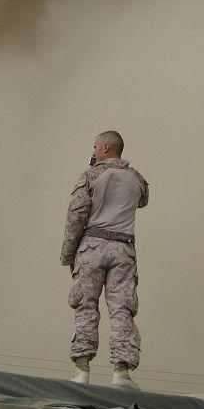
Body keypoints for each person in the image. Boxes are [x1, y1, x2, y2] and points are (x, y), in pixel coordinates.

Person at [60, 130, 149, 389]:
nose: (93, 152)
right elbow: (143, 200)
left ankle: (81, 371)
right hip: (123, 248)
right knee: (122, 309)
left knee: (85, 306)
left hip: (92, 247)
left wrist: (69, 256)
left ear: (106, 147)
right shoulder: (136, 178)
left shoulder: (90, 176)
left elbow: (76, 216)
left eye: (95, 147)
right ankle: (121, 373)